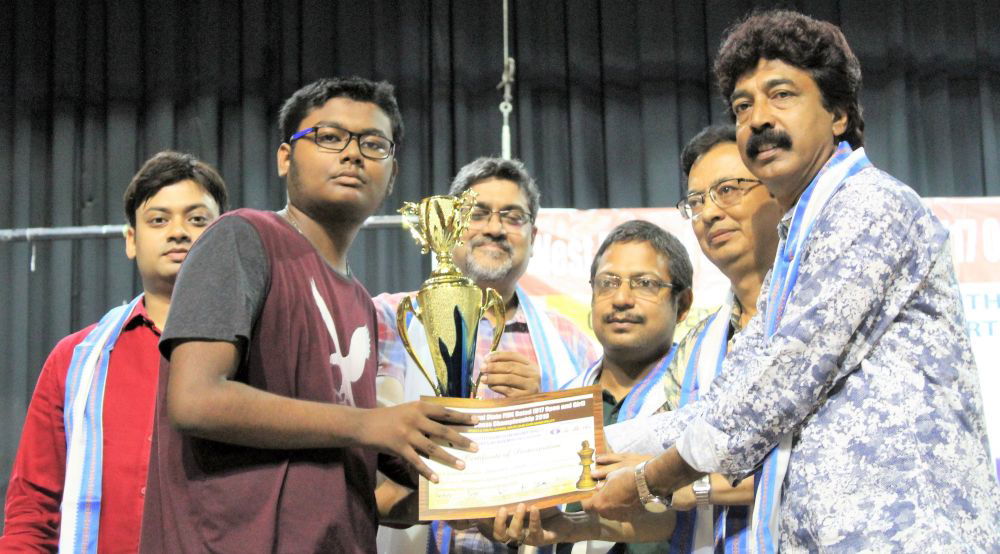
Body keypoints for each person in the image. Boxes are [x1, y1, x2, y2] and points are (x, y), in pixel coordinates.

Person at [589, 10, 1000, 551]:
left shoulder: (869, 206)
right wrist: (564, 447)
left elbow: (776, 387)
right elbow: (721, 406)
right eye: (742, 106)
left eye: (781, 95)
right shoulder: (795, 250)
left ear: (838, 115)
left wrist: (648, 479)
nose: (758, 119)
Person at [138, 77, 477, 553]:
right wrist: (369, 424)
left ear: (392, 174)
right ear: (285, 157)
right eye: (330, 137)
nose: (352, 154)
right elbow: (195, 400)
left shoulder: (360, 302)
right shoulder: (242, 237)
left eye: (373, 144)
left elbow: (351, 482)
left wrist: (471, 491)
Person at [492, 126, 781, 552]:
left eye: (728, 190)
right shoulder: (699, 351)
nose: (710, 212)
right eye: (697, 201)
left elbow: (805, 463)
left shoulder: (809, 310)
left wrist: (663, 479)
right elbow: (668, 517)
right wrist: (541, 460)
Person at [1, 151, 228, 553]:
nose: (179, 232)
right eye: (158, 220)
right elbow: (32, 512)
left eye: (197, 220)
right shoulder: (75, 360)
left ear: (224, 240)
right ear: (131, 241)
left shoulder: (263, 350)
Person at [374, 157, 599, 553]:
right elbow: (362, 461)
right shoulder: (391, 319)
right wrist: (445, 499)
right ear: (450, 225)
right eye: (478, 214)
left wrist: (543, 408)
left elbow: (591, 471)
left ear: (533, 235)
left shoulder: (572, 343)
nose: (495, 228)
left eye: (513, 217)